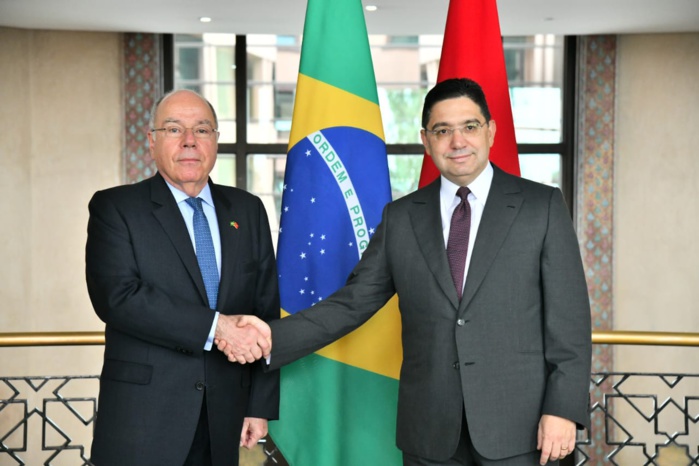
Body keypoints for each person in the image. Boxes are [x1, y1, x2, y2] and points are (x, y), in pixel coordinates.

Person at [223, 78, 592, 466]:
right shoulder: (401, 218)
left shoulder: (542, 207)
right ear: (426, 140)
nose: (458, 141)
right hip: (431, 435)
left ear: (491, 131)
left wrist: (564, 409)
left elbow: (570, 324)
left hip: (524, 430)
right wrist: (269, 336)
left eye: (470, 126)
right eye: (442, 130)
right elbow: (352, 303)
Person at [85, 89, 280, 466]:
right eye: (174, 129)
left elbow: (265, 311)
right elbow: (118, 297)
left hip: (226, 418)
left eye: (202, 129)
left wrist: (259, 405)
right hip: (143, 419)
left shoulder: (248, 209)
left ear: (215, 141)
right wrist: (217, 328)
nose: (190, 141)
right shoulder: (116, 208)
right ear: (152, 141)